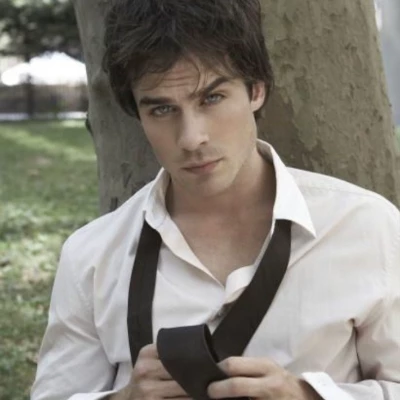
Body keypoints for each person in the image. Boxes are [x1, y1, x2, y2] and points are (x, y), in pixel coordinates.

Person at [31, 0, 400, 399]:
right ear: (138, 114)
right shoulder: (93, 256)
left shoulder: (365, 226)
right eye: (162, 109)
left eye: (211, 98)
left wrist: (307, 395)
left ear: (256, 90)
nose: (191, 138)